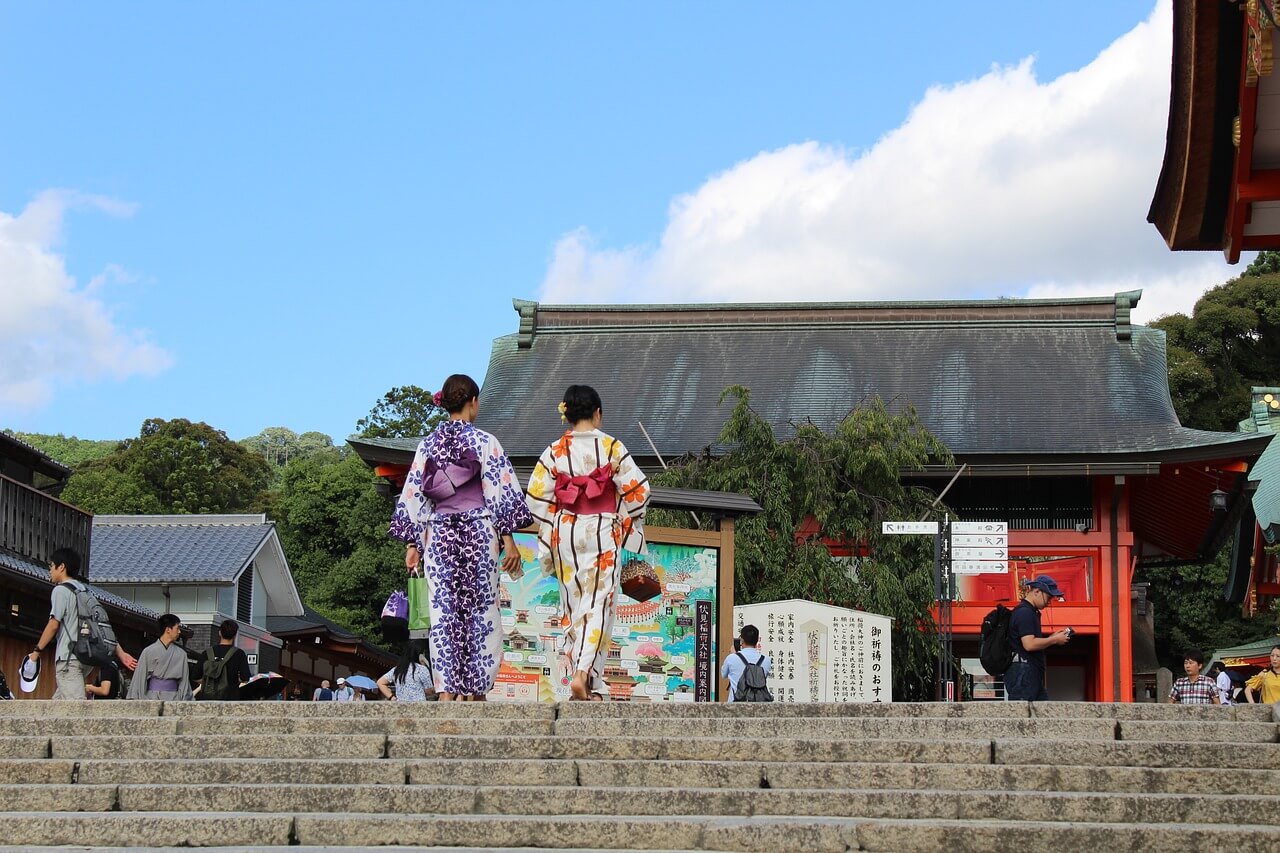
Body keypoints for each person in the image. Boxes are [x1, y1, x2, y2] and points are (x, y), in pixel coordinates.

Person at [390, 373, 532, 701]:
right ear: (472, 402)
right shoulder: (485, 442)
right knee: (482, 609)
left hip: (439, 536)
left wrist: (413, 544)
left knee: (444, 612)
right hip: (479, 534)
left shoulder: (427, 445)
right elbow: (499, 491)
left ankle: (447, 689)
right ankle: (476, 688)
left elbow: (414, 495)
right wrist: (508, 539)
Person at [526, 384, 650, 701]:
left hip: (566, 532)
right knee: (598, 605)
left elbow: (537, 500)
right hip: (602, 530)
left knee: (574, 606)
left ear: (566, 414)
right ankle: (582, 675)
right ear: (597, 414)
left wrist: (553, 527)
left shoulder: (553, 451)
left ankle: (587, 684)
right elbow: (638, 493)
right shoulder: (611, 447)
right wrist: (621, 517)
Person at [28, 547, 137, 700]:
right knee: (57, 705)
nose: (50, 571)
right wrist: (121, 653)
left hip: (68, 658)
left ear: (61, 567)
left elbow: (53, 624)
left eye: (51, 566)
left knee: (77, 709)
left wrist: (36, 652)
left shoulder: (60, 591)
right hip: (86, 657)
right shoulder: (85, 591)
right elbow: (100, 627)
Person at [1005, 575, 1071, 702]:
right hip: (1023, 673)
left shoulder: (1028, 611)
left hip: (1026, 672)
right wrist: (1054, 640)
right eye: (1049, 597)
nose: (1049, 601)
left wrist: (1052, 637)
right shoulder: (1025, 613)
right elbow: (1029, 644)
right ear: (1036, 591)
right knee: (1026, 715)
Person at [127, 614, 193, 700]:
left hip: (174, 698)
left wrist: (184, 700)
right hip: (151, 698)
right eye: (177, 628)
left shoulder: (182, 654)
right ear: (168, 629)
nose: (179, 632)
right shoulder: (148, 651)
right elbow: (140, 678)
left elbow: (184, 683)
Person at [195, 619, 252, 701]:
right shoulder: (239, 654)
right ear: (235, 635)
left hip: (208, 699)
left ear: (220, 633)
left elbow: (195, 676)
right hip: (230, 698)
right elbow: (245, 677)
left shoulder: (207, 653)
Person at [721, 624, 772, 703]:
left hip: (735, 705)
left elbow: (724, 674)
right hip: (758, 705)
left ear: (742, 640)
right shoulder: (766, 660)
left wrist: (733, 654)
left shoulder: (731, 658)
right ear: (757, 640)